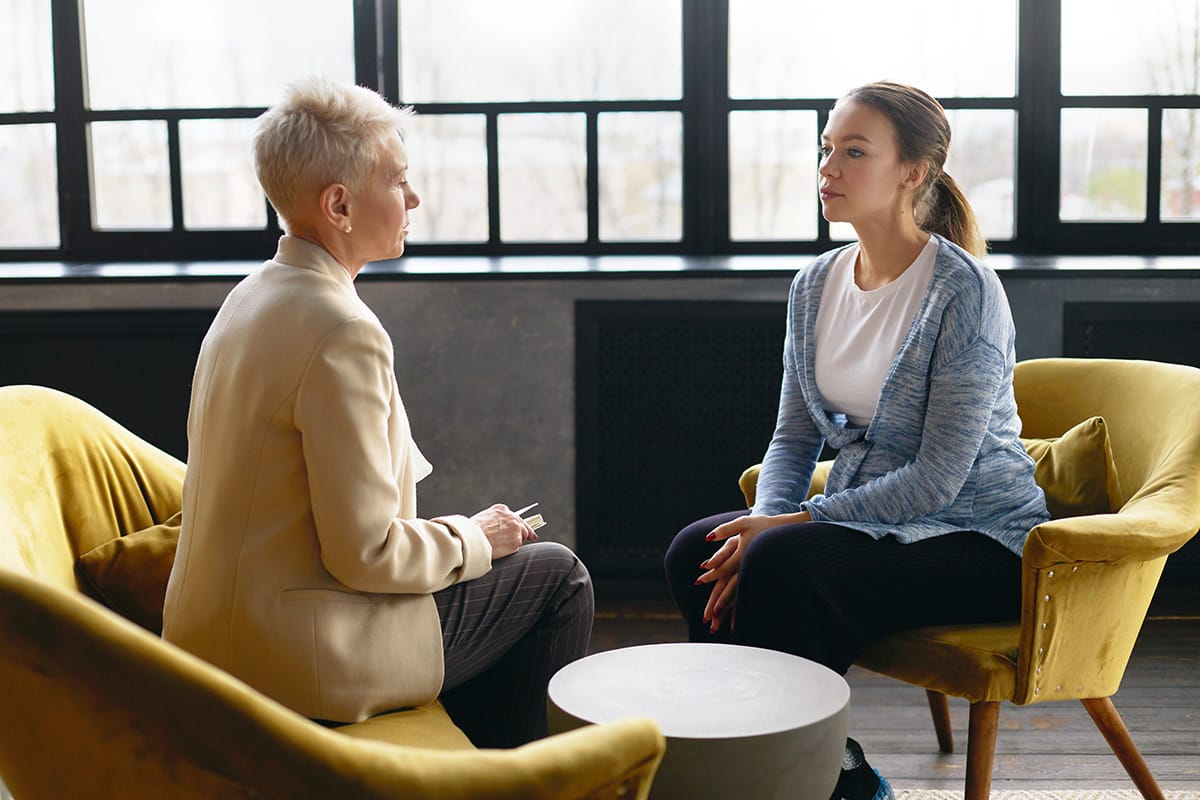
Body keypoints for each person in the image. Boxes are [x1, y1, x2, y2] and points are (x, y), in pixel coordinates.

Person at [163, 77, 592, 748]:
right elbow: (366, 554)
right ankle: (509, 782)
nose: (413, 197)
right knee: (559, 576)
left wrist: (461, 539)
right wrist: (477, 538)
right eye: (397, 180)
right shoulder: (342, 331)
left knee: (492, 568)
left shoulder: (249, 297)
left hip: (212, 636)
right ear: (338, 205)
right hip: (289, 657)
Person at [663, 81, 1050, 800]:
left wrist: (790, 525)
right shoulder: (814, 284)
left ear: (913, 172)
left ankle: (786, 770)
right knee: (698, 550)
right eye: (825, 149)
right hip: (881, 525)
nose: (828, 168)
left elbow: (938, 479)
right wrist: (760, 523)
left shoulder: (964, 292)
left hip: (981, 537)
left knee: (783, 560)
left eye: (854, 151)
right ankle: (799, 765)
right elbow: (792, 434)